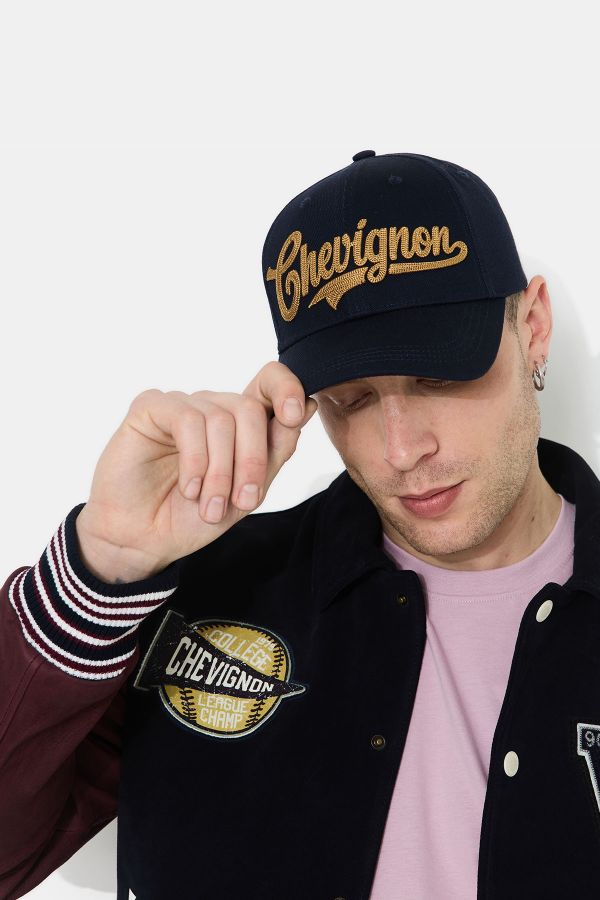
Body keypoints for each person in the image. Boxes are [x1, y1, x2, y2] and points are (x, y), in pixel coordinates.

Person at [0, 150, 598, 900]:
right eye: (351, 399)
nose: (402, 450)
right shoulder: (205, 598)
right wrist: (101, 569)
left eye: (440, 377)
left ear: (533, 326)